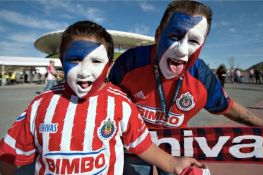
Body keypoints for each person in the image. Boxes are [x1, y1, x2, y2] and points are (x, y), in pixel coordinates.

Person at [0, 21, 204, 175]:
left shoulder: (120, 103)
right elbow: (9, 156)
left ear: (109, 65)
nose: (84, 72)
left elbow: (141, 144)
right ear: (62, 60)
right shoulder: (40, 105)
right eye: (75, 60)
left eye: (96, 61)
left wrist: (173, 164)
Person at [108, 1, 263, 174]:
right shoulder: (129, 63)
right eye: (175, 37)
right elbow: (106, 102)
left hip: (176, 147)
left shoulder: (202, 77)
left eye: (193, 41)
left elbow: (228, 107)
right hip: (135, 145)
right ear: (158, 35)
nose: (182, 51)